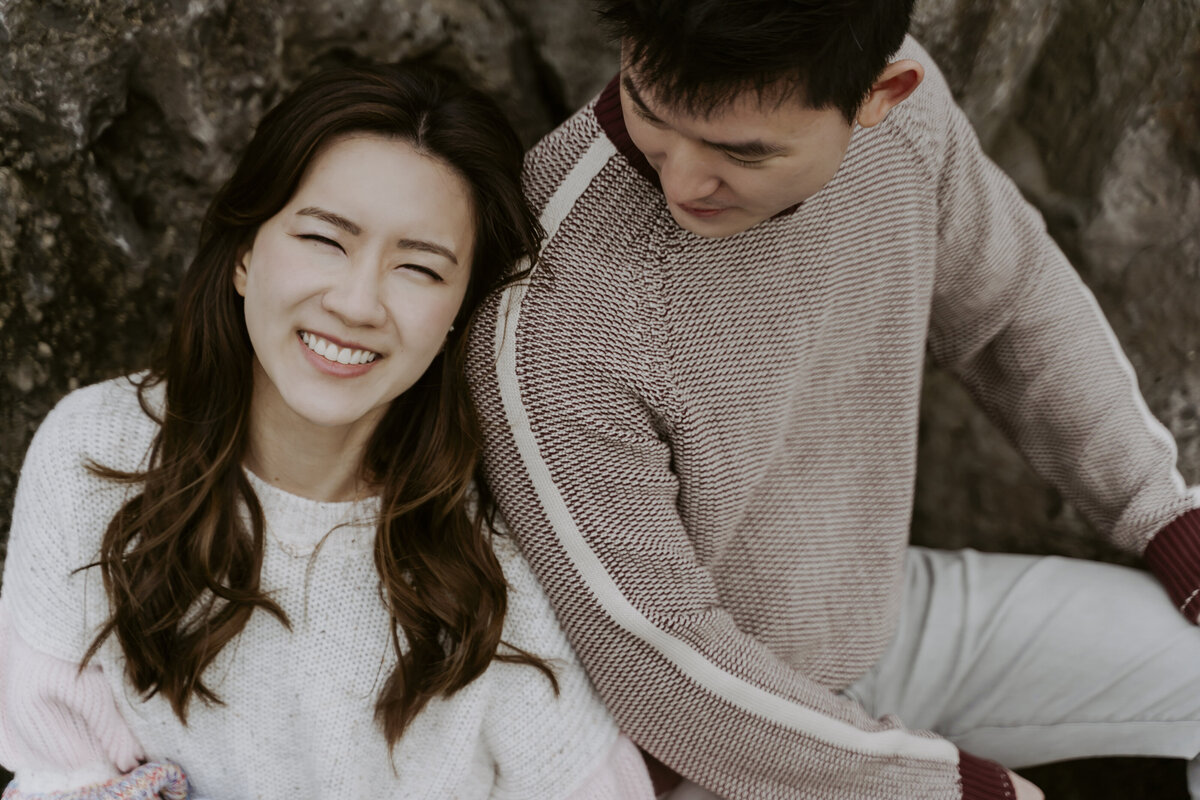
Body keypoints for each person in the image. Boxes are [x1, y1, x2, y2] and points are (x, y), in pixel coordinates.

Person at [465, 2, 1200, 799]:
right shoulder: (554, 309)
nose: (680, 178)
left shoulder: (908, 124)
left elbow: (1013, 307)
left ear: (881, 96)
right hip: (705, 749)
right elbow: (657, 653)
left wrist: (1161, 511)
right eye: (648, 107)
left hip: (891, 622)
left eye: (739, 151)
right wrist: (950, 788)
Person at [0, 63, 655, 800]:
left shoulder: (503, 547)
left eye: (419, 268)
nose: (357, 302)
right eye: (325, 239)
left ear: (457, 316)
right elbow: (62, 773)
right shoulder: (95, 453)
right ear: (245, 253)